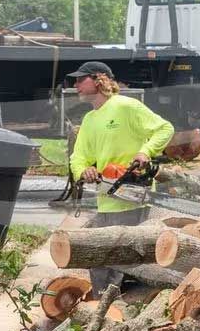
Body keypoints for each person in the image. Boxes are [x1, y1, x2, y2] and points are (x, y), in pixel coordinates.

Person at [66, 61, 174, 295]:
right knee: (100, 263)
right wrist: (84, 170)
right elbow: (78, 157)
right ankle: (101, 311)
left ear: (98, 79)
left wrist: (145, 152)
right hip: (106, 199)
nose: (75, 85)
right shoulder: (90, 119)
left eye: (80, 79)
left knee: (122, 265)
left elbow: (165, 129)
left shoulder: (126, 106)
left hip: (133, 197)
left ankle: (119, 309)